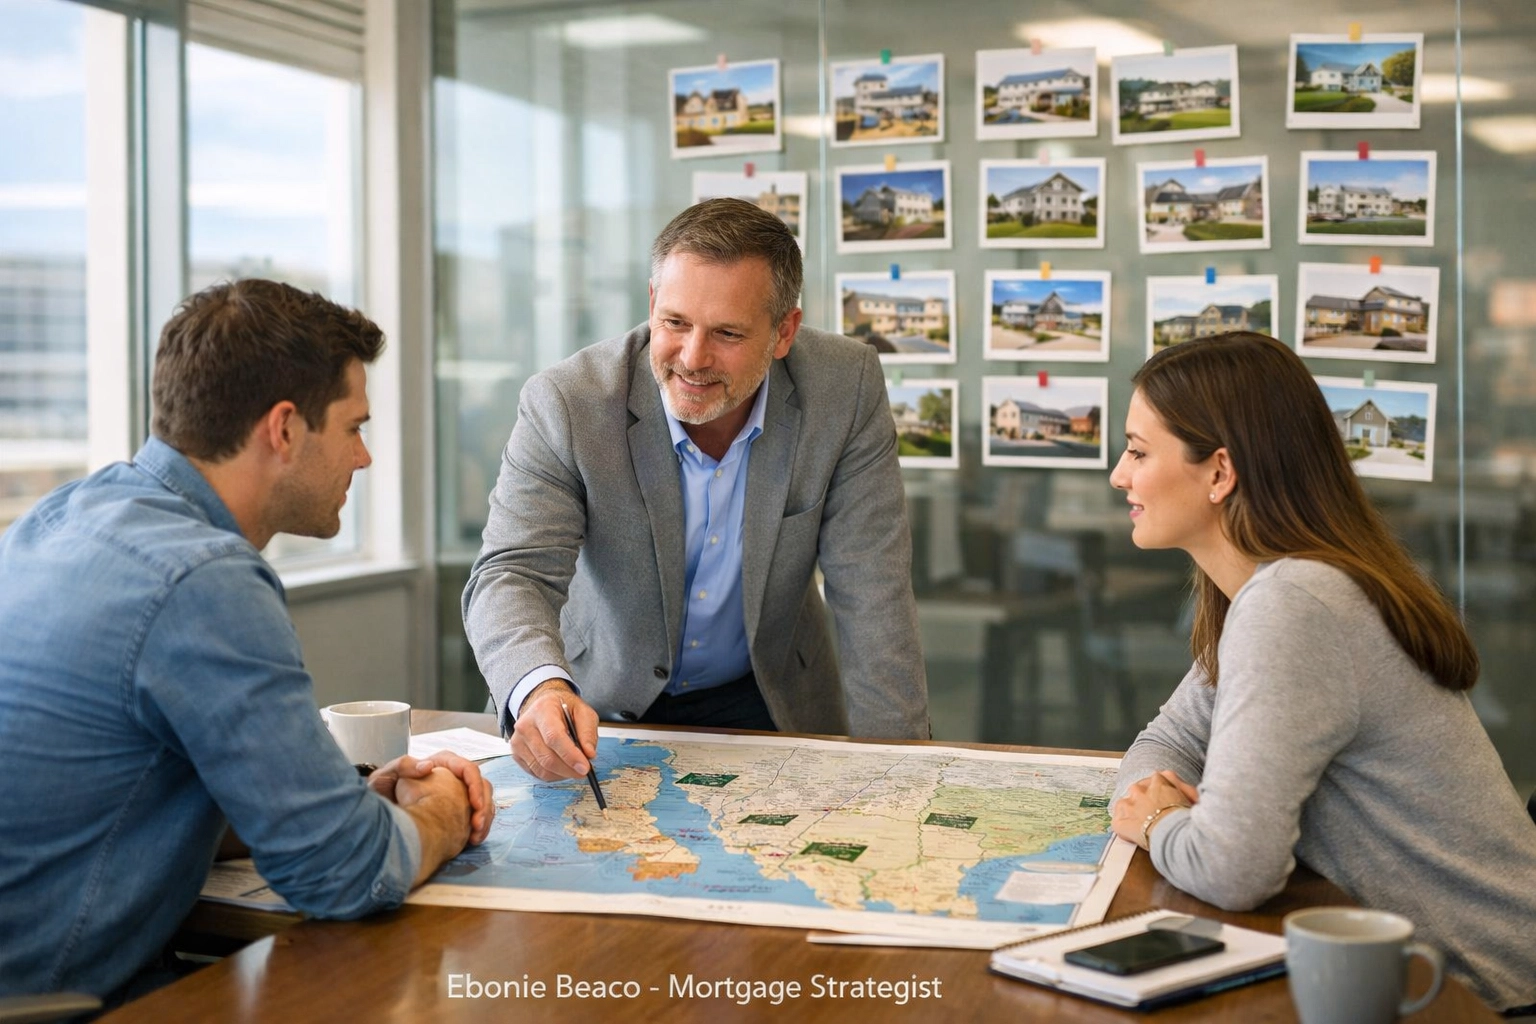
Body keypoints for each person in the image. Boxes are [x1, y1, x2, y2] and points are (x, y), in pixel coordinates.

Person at [0, 280, 494, 1004]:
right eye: (354, 427)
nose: (365, 459)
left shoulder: (68, 514)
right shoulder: (204, 579)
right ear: (285, 429)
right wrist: (448, 810)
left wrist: (354, 800)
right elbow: (344, 875)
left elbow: (124, 795)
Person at [1106, 332, 1536, 1013]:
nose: (1118, 476)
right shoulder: (1277, 590)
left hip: (1481, 998)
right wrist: (1164, 805)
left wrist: (1159, 821)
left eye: (1136, 451)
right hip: (1420, 973)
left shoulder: (1295, 605)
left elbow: (1232, 869)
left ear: (1220, 472)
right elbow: (1162, 746)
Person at [464, 197, 928, 781]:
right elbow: (512, 573)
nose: (692, 357)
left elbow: (873, 592)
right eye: (675, 323)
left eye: (728, 333)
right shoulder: (568, 402)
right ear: (653, 302)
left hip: (767, 698)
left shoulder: (844, 387)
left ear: (784, 331)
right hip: (594, 704)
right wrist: (537, 686)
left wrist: (906, 771)